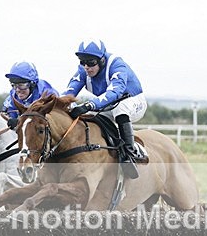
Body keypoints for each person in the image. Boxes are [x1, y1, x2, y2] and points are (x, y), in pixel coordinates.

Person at [63, 39, 147, 178]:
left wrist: (90, 104)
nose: (86, 67)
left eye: (91, 63)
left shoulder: (116, 65)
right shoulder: (83, 70)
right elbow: (69, 92)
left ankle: (129, 154)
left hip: (131, 100)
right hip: (108, 104)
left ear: (102, 61)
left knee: (121, 110)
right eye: (82, 62)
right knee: (88, 117)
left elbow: (115, 92)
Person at [1, 61, 57, 128]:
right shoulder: (13, 95)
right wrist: (11, 119)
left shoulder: (48, 94)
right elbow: (7, 113)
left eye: (21, 85)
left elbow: (52, 119)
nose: (17, 90)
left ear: (32, 84)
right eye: (14, 85)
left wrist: (20, 120)